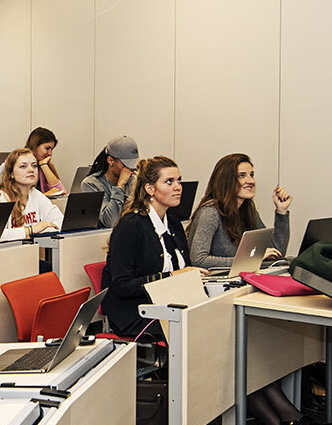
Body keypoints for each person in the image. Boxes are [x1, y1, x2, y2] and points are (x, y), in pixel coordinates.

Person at [101, 156, 201, 343]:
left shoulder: (174, 223)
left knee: (213, 316)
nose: (178, 186)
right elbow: (121, 286)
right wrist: (172, 276)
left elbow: (182, 270)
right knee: (196, 330)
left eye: (178, 180)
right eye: (169, 182)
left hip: (169, 303)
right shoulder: (130, 226)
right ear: (150, 189)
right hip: (134, 311)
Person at [188, 153, 291, 268]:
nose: (250, 180)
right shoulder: (210, 212)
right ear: (226, 180)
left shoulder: (248, 211)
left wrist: (281, 211)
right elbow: (199, 259)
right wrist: (250, 260)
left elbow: (276, 253)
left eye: (251, 175)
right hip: (215, 281)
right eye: (242, 175)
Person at [0, 148, 64, 241]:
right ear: (11, 173)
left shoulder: (36, 194)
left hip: (29, 251)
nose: (31, 170)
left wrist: (43, 229)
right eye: (23, 166)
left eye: (34, 166)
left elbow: (60, 221)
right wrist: (31, 230)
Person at [80, 136, 140, 228]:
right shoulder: (91, 184)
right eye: (126, 165)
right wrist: (119, 186)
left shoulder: (133, 180)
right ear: (110, 160)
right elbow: (111, 221)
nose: (131, 169)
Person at [25, 127, 66, 195]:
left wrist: (44, 165)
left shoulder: (43, 164)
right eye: (47, 148)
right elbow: (22, 198)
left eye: (51, 149)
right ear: (35, 145)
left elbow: (61, 192)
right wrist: (45, 196)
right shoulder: (19, 165)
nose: (50, 153)